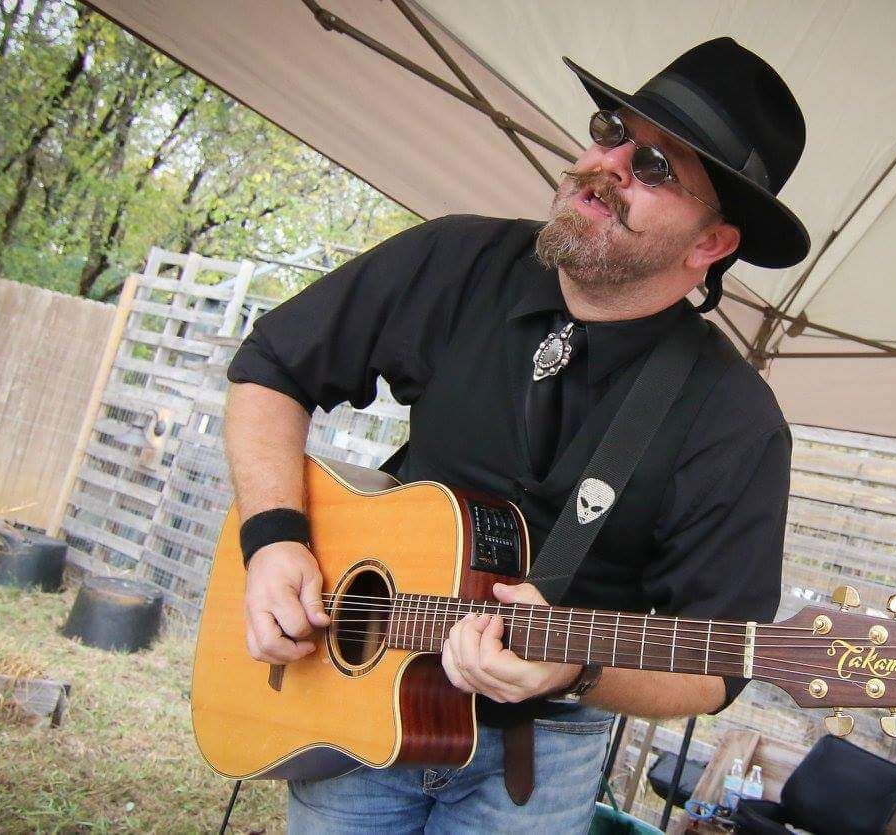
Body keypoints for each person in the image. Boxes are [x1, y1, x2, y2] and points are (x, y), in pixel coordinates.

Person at [224, 37, 810, 834]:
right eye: (611, 132)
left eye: (655, 167)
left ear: (710, 244)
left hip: (539, 763)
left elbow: (716, 666)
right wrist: (272, 538)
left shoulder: (736, 421)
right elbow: (271, 367)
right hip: (357, 705)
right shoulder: (456, 259)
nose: (608, 164)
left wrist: (577, 667)